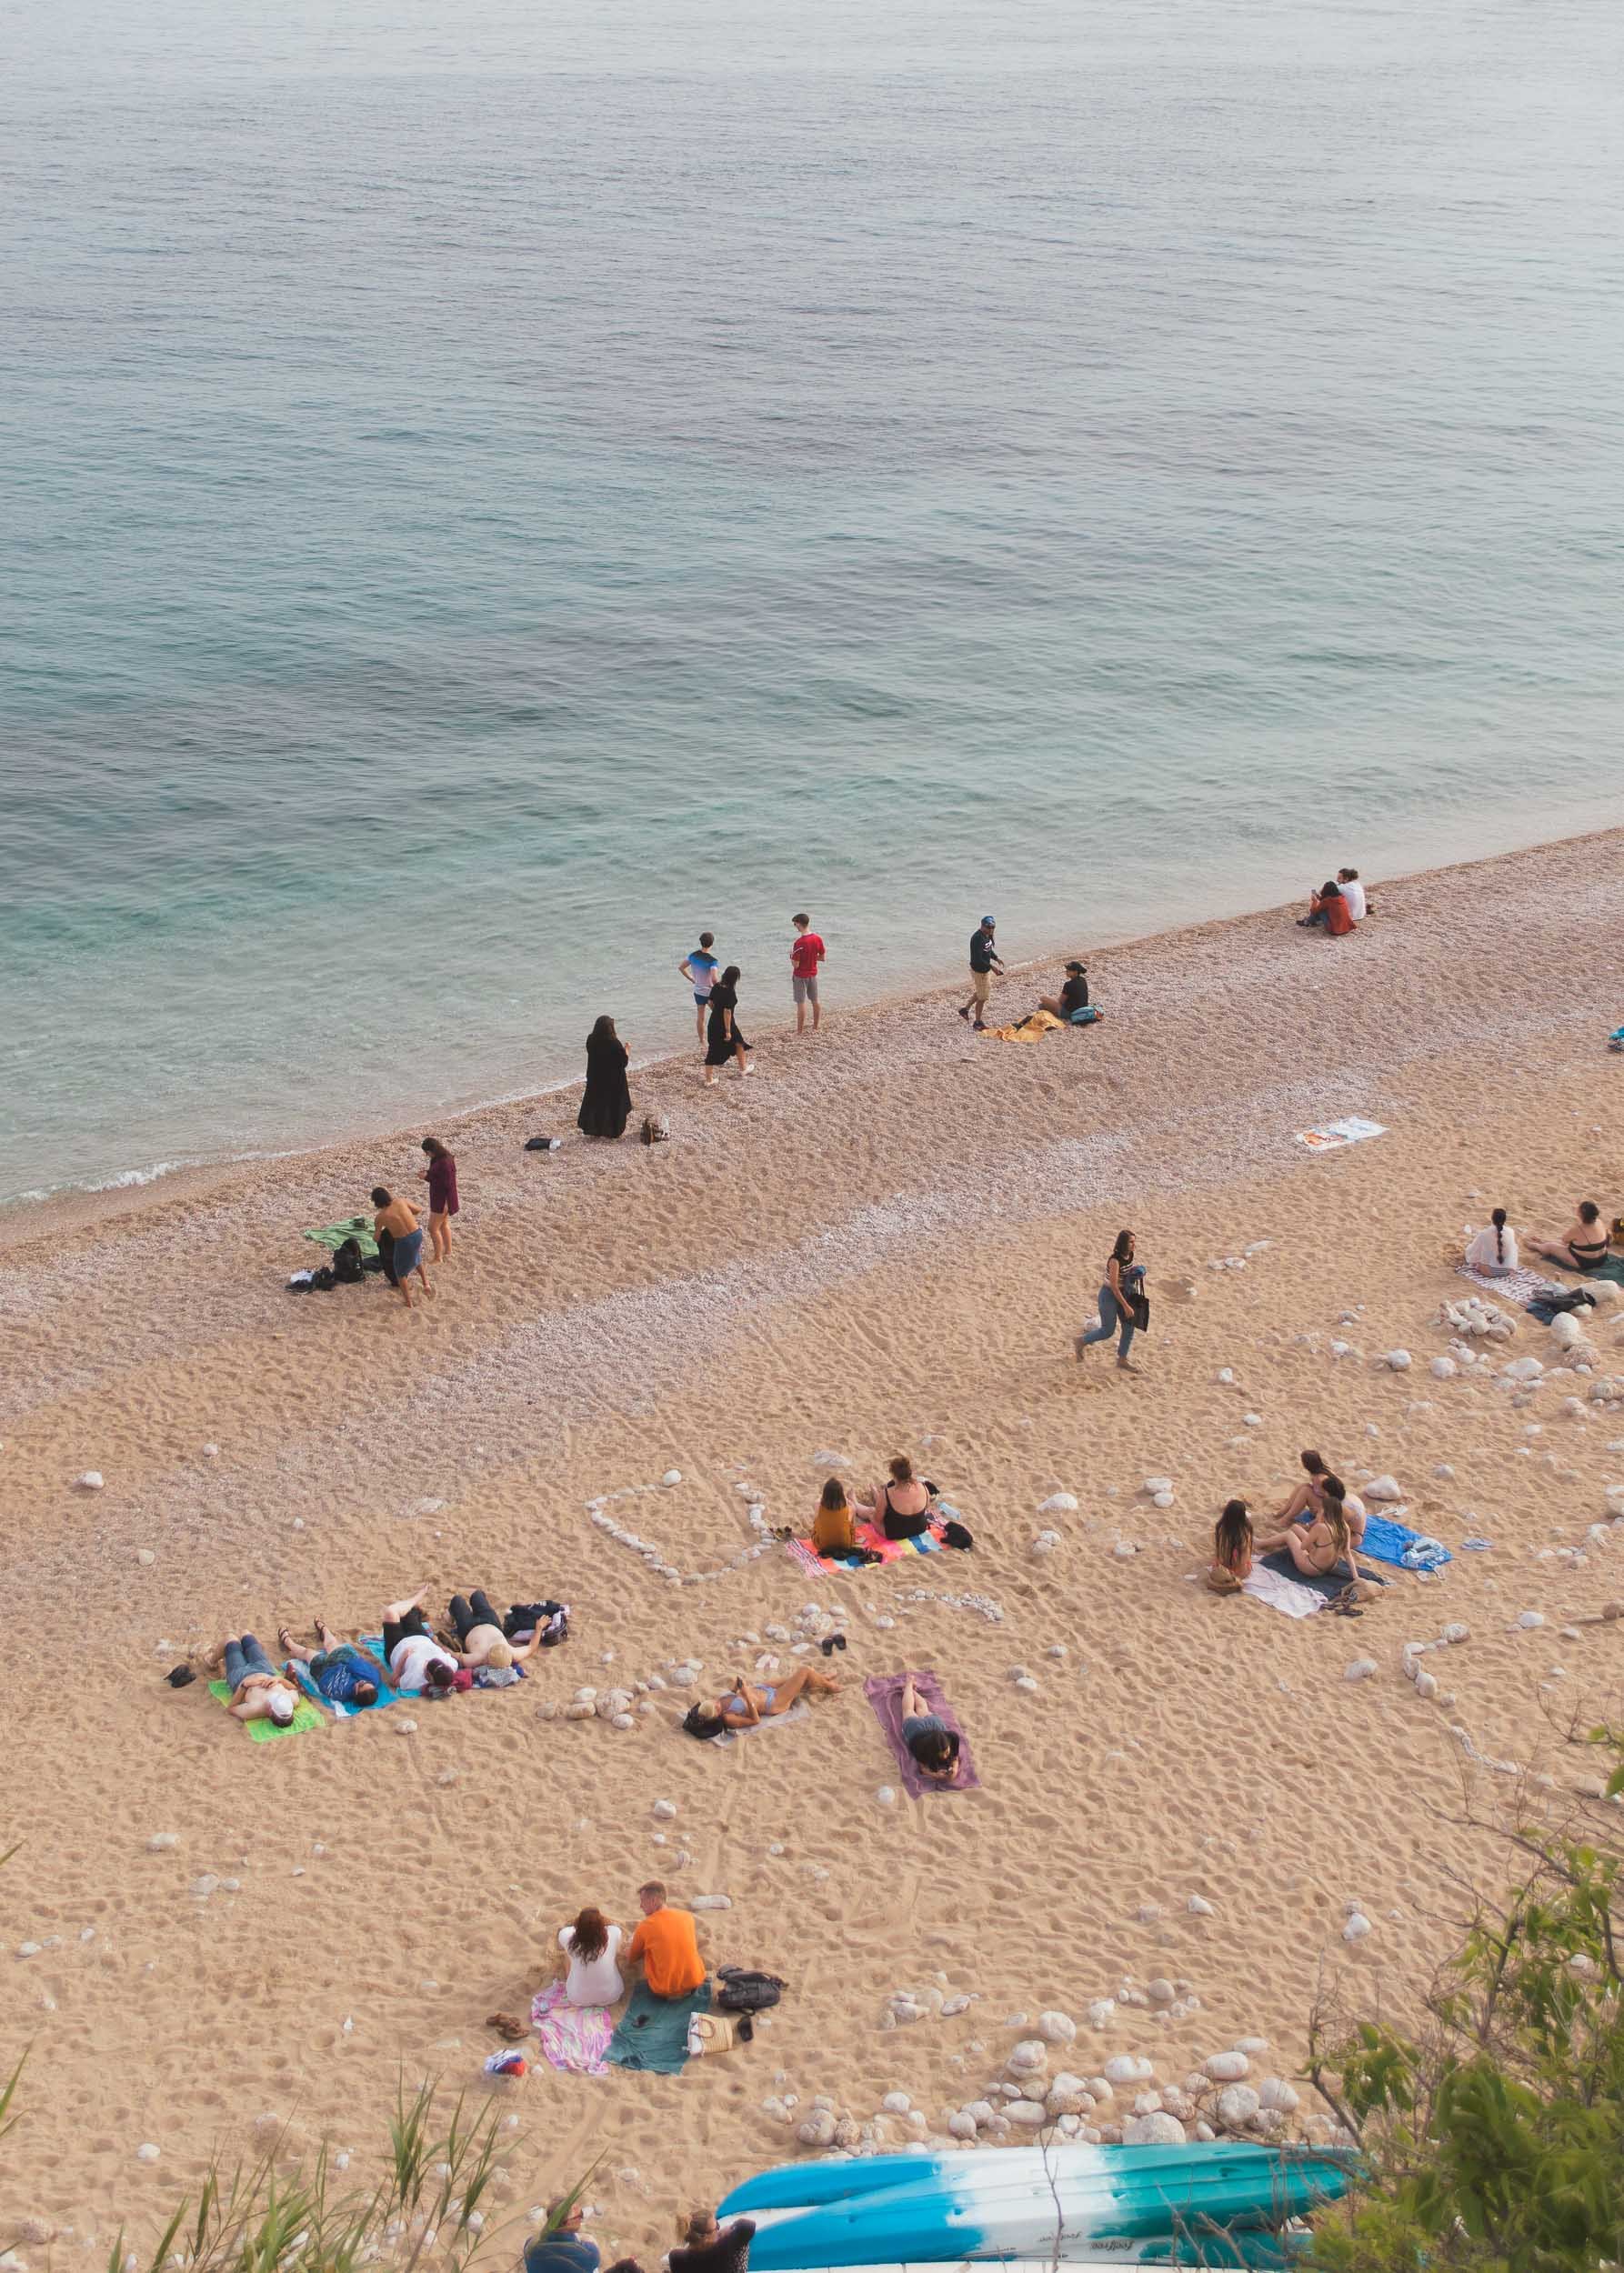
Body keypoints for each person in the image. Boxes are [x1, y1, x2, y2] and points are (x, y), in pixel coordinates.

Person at [682, 1664, 841, 1742]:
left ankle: (824, 1678)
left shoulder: (715, 1704)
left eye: (712, 1702)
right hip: (775, 1701)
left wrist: (737, 1687)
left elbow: (732, 1694)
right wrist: (747, 1695)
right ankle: (829, 1686)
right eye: (716, 1708)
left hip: (763, 1688)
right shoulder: (729, 1719)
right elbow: (755, 1720)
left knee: (799, 1679)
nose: (716, 1703)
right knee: (804, 1671)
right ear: (716, 1716)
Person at [1074, 1230, 1143, 1372]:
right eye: (1131, 1242)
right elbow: (1113, 1286)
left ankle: (1122, 1360)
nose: (1134, 1245)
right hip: (1109, 1295)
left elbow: (1124, 1277)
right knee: (1108, 1330)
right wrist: (1125, 1306)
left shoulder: (1129, 1255)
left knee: (1129, 1328)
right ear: (1123, 1243)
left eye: (1134, 1241)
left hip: (1124, 1292)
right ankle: (1080, 1341)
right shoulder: (1115, 1261)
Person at [625, 1881, 707, 1998]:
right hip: (696, 1980)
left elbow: (632, 1957)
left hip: (664, 1989)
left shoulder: (646, 1925)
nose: (640, 1906)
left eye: (643, 1901)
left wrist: (628, 1945)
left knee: (647, 1951)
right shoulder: (687, 1917)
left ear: (653, 1901)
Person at [277, 1620, 383, 1707]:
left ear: (356, 1693)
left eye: (361, 1685)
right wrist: (338, 1661)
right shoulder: (373, 1679)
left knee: (308, 1652)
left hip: (325, 1671)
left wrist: (332, 1664)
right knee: (332, 1645)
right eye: (366, 1683)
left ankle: (288, 1642)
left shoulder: (341, 1692)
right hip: (344, 1660)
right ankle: (324, 1630)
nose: (363, 1681)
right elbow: (354, 1662)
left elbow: (323, 1683)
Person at [446, 1588, 546, 1682]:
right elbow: (532, 1646)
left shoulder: (478, 1658)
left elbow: (453, 1654)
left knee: (457, 1600)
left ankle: (450, 1615)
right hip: (491, 1622)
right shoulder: (512, 1653)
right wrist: (539, 1628)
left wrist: (436, 1641)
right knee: (477, 1595)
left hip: (468, 1628)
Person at [377, 1585, 460, 1694]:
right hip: (420, 1637)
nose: (425, 1661)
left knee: (391, 1613)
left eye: (426, 1666)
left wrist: (404, 1657)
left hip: (396, 1647)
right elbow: (450, 1654)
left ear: (429, 1677)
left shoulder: (415, 1680)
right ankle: (413, 1606)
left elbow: (394, 1681)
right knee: (411, 1610)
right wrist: (437, 1643)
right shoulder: (451, 1665)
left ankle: (416, 1598)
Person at [210, 1635, 300, 1725]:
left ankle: (211, 1662)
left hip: (240, 1675)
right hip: (265, 1669)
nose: (275, 1695)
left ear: (270, 1712)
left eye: (273, 1699)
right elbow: (294, 1689)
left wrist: (245, 1686)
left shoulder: (254, 1709)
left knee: (230, 1639)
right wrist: (279, 1679)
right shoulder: (292, 1701)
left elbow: (231, 1709)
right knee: (246, 1635)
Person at [372, 1187, 431, 1309]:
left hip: (404, 1241)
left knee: (400, 1272)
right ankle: (426, 1284)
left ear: (376, 1203)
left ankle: (408, 1302)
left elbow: (376, 1238)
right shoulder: (401, 1201)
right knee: (416, 1257)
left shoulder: (380, 1217)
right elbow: (418, 1210)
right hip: (417, 1234)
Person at [556, 1905, 625, 2008]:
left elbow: (563, 1937)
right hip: (611, 1995)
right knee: (613, 1951)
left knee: (567, 1954)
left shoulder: (566, 1936)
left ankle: (570, 1980)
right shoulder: (614, 1932)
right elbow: (612, 1925)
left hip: (577, 1997)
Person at [899, 1673, 961, 1784]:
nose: (947, 1755)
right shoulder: (920, 1748)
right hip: (916, 1730)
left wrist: (955, 1770)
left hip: (935, 1726)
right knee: (909, 1710)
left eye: (947, 1750)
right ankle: (909, 1686)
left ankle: (909, 1688)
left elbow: (956, 1758)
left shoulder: (951, 1739)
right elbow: (923, 1768)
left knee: (919, 1708)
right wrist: (935, 1775)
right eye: (944, 1753)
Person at [577, 1016, 632, 1140]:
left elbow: (592, 1053)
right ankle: (613, 1130)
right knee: (613, 1104)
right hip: (613, 1080)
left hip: (595, 1077)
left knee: (597, 1103)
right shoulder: (614, 1043)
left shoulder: (591, 1039)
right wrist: (627, 1049)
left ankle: (595, 1129)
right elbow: (623, 1062)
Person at [857, 1454, 935, 1541]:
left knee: (871, 1511)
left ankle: (854, 1503)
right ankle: (874, 1492)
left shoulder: (887, 1493)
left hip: (895, 1533)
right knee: (885, 1503)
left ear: (894, 1475)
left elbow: (877, 1520)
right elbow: (926, 1507)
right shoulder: (923, 1487)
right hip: (920, 1528)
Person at [1528, 1200, 1611, 1272]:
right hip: (1602, 1258)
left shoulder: (1578, 1229)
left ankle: (1533, 1245)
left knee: (1550, 1246)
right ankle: (1543, 1242)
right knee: (1574, 1243)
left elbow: (1564, 1241)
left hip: (1585, 1263)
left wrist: (1547, 1242)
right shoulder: (1599, 1222)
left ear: (1580, 1214)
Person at [669, 2208, 757, 2273]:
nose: (719, 2228)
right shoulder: (723, 2249)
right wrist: (731, 2227)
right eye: (716, 2227)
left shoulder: (676, 2257)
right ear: (704, 2237)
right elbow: (748, 2226)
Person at [704, 966, 751, 1085]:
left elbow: (709, 1002)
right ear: (735, 979)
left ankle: (709, 1080)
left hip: (713, 1022)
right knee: (739, 1042)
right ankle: (743, 1069)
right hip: (727, 1023)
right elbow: (727, 1011)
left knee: (713, 1048)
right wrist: (728, 1030)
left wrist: (716, 1011)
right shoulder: (729, 991)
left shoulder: (717, 986)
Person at [524, 2200, 600, 2273]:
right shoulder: (589, 2253)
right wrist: (585, 2237)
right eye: (580, 2215)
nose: (581, 2219)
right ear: (569, 2222)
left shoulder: (530, 2244)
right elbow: (595, 2262)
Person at [958, 917, 1004, 1030]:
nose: (991, 929)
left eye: (993, 927)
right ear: (982, 926)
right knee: (982, 997)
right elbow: (977, 958)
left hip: (985, 969)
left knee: (981, 992)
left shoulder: (986, 935)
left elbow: (988, 949)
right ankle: (978, 1022)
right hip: (979, 971)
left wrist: (996, 958)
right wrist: (992, 967)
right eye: (988, 927)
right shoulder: (977, 938)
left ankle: (965, 1010)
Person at [419, 1136, 459, 1264]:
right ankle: (448, 1251)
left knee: (432, 1228)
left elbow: (444, 1183)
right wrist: (428, 1173)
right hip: (446, 1198)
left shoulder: (444, 1162)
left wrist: (426, 1177)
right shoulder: (445, 1158)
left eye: (427, 1152)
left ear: (431, 1150)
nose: (427, 1155)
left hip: (442, 1200)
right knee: (443, 1225)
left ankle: (438, 1257)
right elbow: (440, 1176)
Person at [1271, 1449, 1332, 1527]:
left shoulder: (1320, 1479)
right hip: (1323, 1503)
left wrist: (1320, 1510)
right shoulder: (1322, 1471)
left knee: (1305, 1491)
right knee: (1303, 1486)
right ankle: (1283, 1512)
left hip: (1328, 1510)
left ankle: (1286, 1519)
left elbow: (1331, 1498)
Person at [679, 933, 720, 1046]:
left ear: (700, 942)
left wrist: (691, 979)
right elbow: (714, 979)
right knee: (718, 1015)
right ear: (712, 943)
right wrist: (721, 987)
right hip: (710, 992)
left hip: (698, 991)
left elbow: (681, 967)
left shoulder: (693, 956)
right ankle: (719, 1037)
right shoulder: (712, 961)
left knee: (700, 1017)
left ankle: (702, 1041)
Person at [790, 914, 826, 1036]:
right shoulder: (818, 939)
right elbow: (822, 957)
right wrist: (811, 958)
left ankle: (799, 1031)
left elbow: (796, 965)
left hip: (800, 976)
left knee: (801, 1003)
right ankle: (815, 1027)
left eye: (795, 924)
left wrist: (791, 955)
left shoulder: (799, 943)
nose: (795, 927)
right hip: (812, 974)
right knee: (815, 1000)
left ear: (799, 924)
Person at [1208, 1499, 1253, 1593]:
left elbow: (1218, 1550)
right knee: (1246, 1565)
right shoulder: (1245, 1531)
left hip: (1221, 1566)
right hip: (1239, 1570)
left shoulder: (1220, 1527)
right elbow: (1244, 1558)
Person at [1464, 1208, 1519, 1277]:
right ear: (1504, 1220)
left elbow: (1473, 1254)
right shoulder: (1511, 1231)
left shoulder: (1485, 1233)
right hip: (1508, 1270)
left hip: (1489, 1272)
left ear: (1492, 1218)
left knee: (1474, 1250)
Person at [1038, 960, 1097, 1025]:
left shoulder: (1068, 984)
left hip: (1070, 1014)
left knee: (1043, 998)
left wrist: (1053, 1001)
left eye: (1069, 970)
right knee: (1044, 1005)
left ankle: (1049, 1010)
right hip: (1082, 1010)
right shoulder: (1083, 980)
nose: (1066, 971)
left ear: (1075, 972)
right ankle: (1047, 1008)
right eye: (1067, 969)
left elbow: (1061, 1002)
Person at [812, 1475, 858, 1555]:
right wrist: (846, 1499)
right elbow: (852, 1526)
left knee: (817, 1523)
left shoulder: (817, 1505)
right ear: (841, 1494)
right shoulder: (850, 1509)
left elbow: (815, 1522)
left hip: (822, 1545)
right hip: (846, 1545)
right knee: (850, 1520)